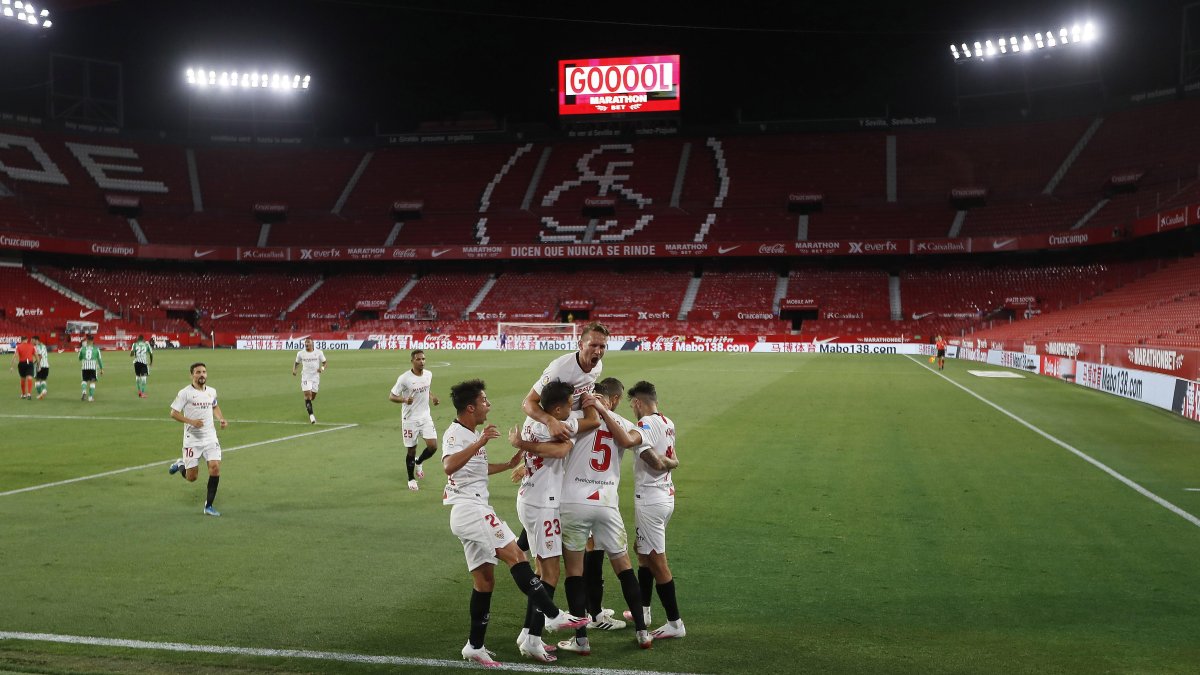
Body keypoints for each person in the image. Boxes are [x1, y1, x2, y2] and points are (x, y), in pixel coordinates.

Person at [441, 378, 588, 667]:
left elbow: (475, 469)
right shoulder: (457, 433)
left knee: (484, 581)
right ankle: (552, 615)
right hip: (470, 510)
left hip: (473, 508)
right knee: (517, 556)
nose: (488, 405)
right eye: (484, 401)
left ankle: (474, 646)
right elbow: (449, 465)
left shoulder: (470, 432)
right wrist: (481, 442)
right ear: (470, 407)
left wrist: (508, 465)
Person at [556, 376, 656, 655]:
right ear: (612, 399)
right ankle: (642, 632)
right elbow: (634, 442)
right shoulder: (624, 424)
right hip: (606, 502)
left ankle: (581, 640)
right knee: (624, 567)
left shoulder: (575, 419)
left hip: (573, 501)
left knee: (574, 572)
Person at [507, 381, 600, 661]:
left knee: (541, 570)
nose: (572, 408)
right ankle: (533, 639)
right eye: (570, 404)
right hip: (543, 504)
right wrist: (589, 400)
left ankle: (527, 632)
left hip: (530, 498)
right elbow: (563, 448)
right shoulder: (559, 425)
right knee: (550, 574)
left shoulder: (531, 419)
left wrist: (523, 446)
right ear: (557, 409)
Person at [622, 381, 685, 639]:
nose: (633, 409)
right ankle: (644, 611)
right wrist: (672, 463)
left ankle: (675, 623)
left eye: (632, 405)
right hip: (665, 496)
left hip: (651, 500)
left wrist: (663, 462)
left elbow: (655, 462)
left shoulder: (645, 424)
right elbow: (672, 459)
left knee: (658, 561)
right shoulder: (668, 422)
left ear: (638, 402)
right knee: (643, 551)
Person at [521, 322, 609, 441]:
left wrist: (593, 398)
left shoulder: (598, 366)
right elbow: (528, 402)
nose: (598, 352)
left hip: (573, 421)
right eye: (593, 345)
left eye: (602, 347)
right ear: (581, 345)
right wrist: (550, 421)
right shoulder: (559, 369)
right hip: (546, 427)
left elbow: (585, 390)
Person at [167, 363, 229, 517]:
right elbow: (173, 413)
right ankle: (180, 464)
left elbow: (214, 406)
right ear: (192, 375)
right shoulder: (185, 393)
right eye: (198, 372)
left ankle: (209, 506)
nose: (202, 375)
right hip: (192, 440)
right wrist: (192, 422)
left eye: (204, 372)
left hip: (210, 437)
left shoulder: (211, 391)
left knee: (215, 468)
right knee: (192, 477)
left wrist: (221, 419)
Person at [388, 349, 440, 491]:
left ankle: (419, 461)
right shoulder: (404, 378)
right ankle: (411, 479)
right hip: (410, 419)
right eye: (418, 359)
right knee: (411, 450)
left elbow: (426, 389)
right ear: (412, 361)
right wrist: (404, 399)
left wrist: (432, 397)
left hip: (425, 417)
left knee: (433, 446)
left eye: (423, 359)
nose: (422, 361)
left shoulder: (428, 374)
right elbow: (392, 396)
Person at [292, 338, 327, 424]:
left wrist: (322, 368)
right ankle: (311, 417)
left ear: (312, 344)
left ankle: (308, 405)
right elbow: (297, 362)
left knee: (312, 397)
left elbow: (325, 363)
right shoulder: (300, 353)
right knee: (308, 395)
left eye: (308, 342)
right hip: (305, 377)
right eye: (305, 342)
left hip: (315, 377)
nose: (306, 344)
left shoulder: (319, 352)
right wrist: (294, 370)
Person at [78, 334, 104, 402]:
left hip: (84, 367)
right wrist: (101, 369)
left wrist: (83, 356)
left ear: (87, 340)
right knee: (92, 382)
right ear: (93, 340)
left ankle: (84, 392)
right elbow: (99, 359)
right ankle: (90, 397)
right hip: (92, 367)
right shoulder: (96, 349)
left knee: (84, 380)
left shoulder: (82, 348)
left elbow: (79, 358)